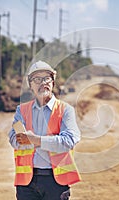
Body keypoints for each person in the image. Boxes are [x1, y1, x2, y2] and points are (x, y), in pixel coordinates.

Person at [8, 60, 81, 200]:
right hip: (27, 183)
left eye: (46, 78)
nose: (43, 82)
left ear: (53, 82)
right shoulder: (21, 110)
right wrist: (32, 141)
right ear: (30, 85)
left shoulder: (65, 110)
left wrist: (35, 140)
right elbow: (13, 139)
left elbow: (69, 141)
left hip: (55, 182)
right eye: (37, 79)